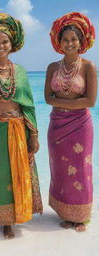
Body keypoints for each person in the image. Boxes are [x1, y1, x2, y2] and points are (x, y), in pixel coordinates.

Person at [0, 12, 43, 239]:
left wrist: (33, 135)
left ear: (12, 44)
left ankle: (11, 220)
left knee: (14, 174)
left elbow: (29, 106)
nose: (1, 45)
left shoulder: (21, 72)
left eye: (5, 42)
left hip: (18, 130)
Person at [45, 12, 97, 232]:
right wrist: (71, 101)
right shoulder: (52, 67)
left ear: (81, 41)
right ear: (59, 42)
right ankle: (65, 214)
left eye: (74, 39)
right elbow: (48, 98)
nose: (69, 43)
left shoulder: (88, 67)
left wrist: (65, 103)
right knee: (60, 170)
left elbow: (91, 101)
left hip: (80, 126)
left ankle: (81, 215)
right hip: (56, 125)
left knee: (81, 170)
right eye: (65, 39)